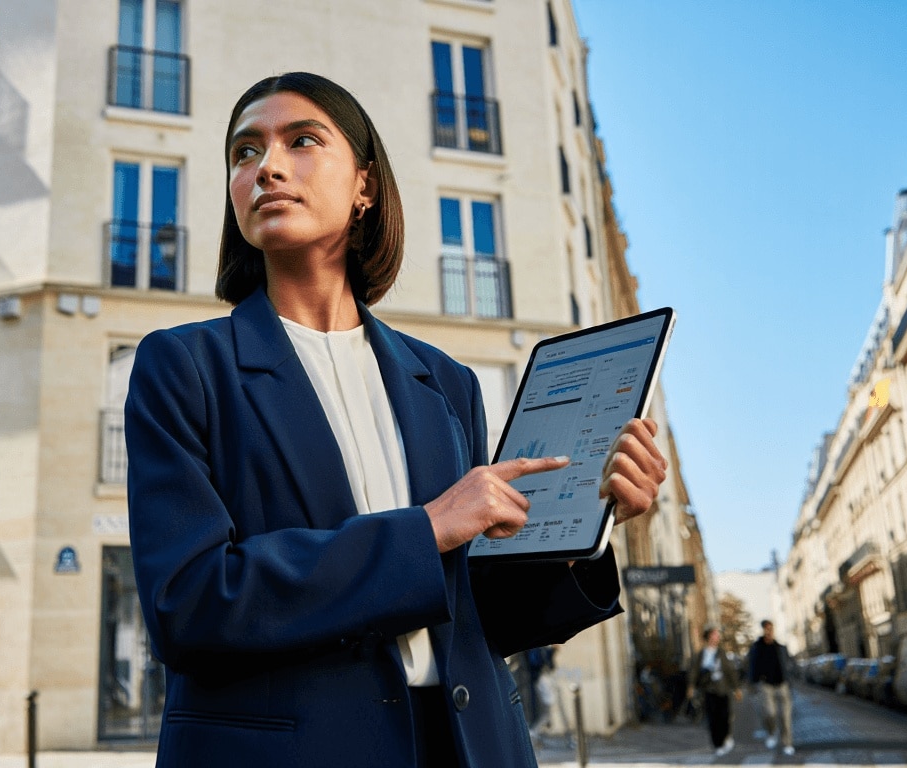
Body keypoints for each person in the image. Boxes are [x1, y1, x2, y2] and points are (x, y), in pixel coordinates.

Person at [124, 72, 669, 767]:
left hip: (469, 746)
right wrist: (428, 529)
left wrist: (587, 528)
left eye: (302, 141)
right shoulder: (184, 365)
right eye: (245, 152)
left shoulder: (445, 383)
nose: (268, 167)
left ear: (365, 187)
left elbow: (473, 617)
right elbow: (189, 604)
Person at [687, 627, 742, 756]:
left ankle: (726, 736)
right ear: (708, 637)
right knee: (713, 718)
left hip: (723, 690)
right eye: (714, 635)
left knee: (725, 715)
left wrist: (736, 688)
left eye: (717, 635)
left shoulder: (721, 653)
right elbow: (694, 671)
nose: (717, 637)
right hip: (708, 690)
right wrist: (691, 686)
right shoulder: (701, 654)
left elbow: (730, 671)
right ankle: (717, 744)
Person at [747, 619, 795, 755]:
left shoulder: (780, 647)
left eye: (771, 629)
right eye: (766, 629)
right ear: (762, 630)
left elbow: (789, 663)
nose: (769, 632)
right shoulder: (756, 647)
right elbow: (751, 665)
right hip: (766, 685)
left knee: (786, 716)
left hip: (782, 684)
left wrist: (790, 677)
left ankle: (787, 743)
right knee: (770, 713)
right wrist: (752, 683)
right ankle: (771, 732)